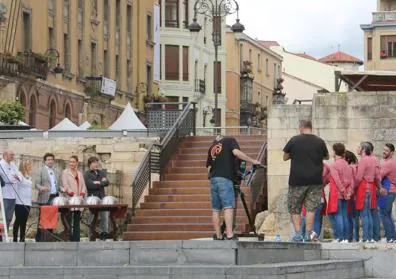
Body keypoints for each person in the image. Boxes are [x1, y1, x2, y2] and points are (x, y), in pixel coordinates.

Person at [206, 135, 260, 240]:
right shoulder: (230, 140)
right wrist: (252, 161)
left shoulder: (212, 146)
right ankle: (230, 235)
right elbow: (236, 153)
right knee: (228, 207)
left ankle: (218, 235)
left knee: (216, 209)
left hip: (213, 179)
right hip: (225, 179)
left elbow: (209, 168)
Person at [283, 120, 329, 242]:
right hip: (315, 180)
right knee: (311, 208)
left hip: (297, 179)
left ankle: (298, 234)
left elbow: (285, 157)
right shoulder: (320, 141)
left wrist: (296, 154)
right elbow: (326, 156)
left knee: (295, 207)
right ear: (310, 127)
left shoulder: (294, 140)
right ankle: (309, 233)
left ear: (301, 127)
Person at [327, 143, 353, 243]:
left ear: (335, 151)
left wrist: (343, 192)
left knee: (338, 215)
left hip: (337, 194)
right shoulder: (347, 165)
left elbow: (337, 181)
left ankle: (340, 237)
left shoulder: (334, 165)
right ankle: (346, 238)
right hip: (345, 194)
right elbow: (351, 181)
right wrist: (348, 193)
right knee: (344, 215)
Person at [355, 142, 381, 243]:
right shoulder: (373, 160)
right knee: (369, 213)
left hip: (363, 187)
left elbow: (358, 177)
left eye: (359, 147)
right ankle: (370, 237)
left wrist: (354, 187)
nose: (357, 149)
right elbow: (377, 176)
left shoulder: (363, 160)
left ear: (364, 150)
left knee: (364, 214)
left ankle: (366, 237)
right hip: (371, 187)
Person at [34, 153, 60, 242]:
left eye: (51, 159)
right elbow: (36, 184)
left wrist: (60, 188)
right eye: (48, 159)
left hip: (54, 197)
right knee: (42, 218)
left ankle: (49, 238)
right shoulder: (40, 170)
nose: (50, 161)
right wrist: (42, 188)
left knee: (52, 218)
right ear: (45, 161)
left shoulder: (55, 171)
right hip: (44, 197)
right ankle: (40, 239)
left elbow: (56, 184)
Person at [84, 156, 109, 240]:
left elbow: (107, 182)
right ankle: (91, 233)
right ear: (90, 164)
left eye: (96, 162)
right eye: (94, 162)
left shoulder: (101, 172)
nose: (96, 164)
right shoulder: (87, 174)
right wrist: (101, 182)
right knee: (92, 216)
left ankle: (104, 233)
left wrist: (98, 182)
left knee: (105, 216)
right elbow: (90, 185)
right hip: (92, 199)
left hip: (102, 198)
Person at [62, 155, 87, 242]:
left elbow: (83, 185)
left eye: (73, 162)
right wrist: (73, 194)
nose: (71, 163)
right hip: (70, 199)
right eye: (70, 162)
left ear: (76, 163)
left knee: (77, 220)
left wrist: (82, 194)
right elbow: (65, 186)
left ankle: (76, 239)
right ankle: (70, 238)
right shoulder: (65, 172)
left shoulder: (80, 173)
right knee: (69, 219)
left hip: (79, 200)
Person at [0, 150, 22, 229]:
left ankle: (6, 232)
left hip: (13, 194)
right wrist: (14, 177)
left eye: (13, 155)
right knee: (5, 216)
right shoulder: (1, 164)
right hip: (5, 194)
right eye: (11, 155)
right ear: (5, 155)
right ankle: (2, 235)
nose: (12, 156)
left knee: (9, 217)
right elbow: (7, 178)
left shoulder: (13, 164)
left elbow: (19, 175)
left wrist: (16, 177)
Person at [379, 143, 396, 243]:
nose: (383, 152)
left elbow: (379, 176)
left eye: (386, 150)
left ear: (391, 152)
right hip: (390, 191)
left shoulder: (388, 163)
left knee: (384, 214)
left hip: (387, 191)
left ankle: (390, 237)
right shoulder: (392, 162)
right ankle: (392, 237)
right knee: (388, 215)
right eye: (383, 149)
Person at [13, 159, 33, 242]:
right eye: (28, 165)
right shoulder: (19, 174)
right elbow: (16, 180)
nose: (30, 166)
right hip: (19, 202)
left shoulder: (29, 176)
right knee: (18, 220)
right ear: (24, 166)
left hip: (27, 202)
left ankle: (22, 238)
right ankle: (14, 238)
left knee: (24, 221)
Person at [345, 150, 359, 242]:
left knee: (350, 217)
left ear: (348, 159)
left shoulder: (350, 167)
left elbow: (352, 182)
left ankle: (350, 237)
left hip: (352, 195)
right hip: (357, 195)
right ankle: (356, 237)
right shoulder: (357, 166)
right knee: (355, 217)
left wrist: (350, 192)